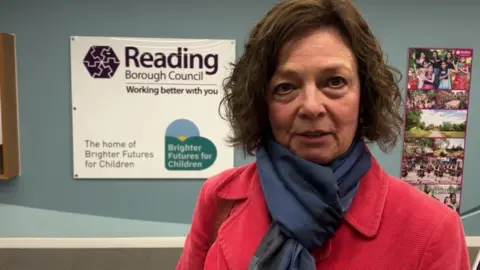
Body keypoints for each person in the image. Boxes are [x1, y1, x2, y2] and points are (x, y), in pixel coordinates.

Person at [176, 0, 470, 269]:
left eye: (334, 81)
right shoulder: (220, 198)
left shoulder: (432, 230)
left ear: (364, 96)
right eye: (286, 87)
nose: (311, 107)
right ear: (262, 102)